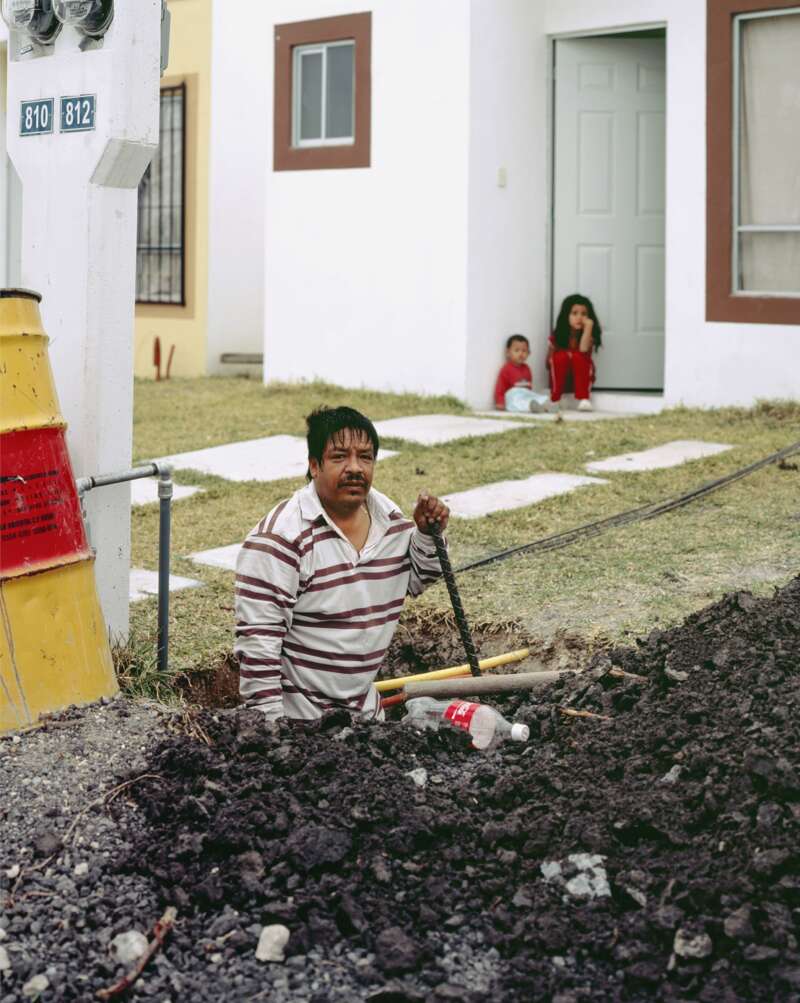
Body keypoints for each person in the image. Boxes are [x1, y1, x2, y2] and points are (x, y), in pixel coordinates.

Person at [234, 405, 450, 722]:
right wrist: (272, 735)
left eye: (365, 457)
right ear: (314, 466)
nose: (354, 468)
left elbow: (421, 576)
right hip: (302, 727)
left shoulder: (390, 524)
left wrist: (428, 533)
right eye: (339, 457)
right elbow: (258, 645)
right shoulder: (281, 540)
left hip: (367, 725)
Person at [547, 294, 602, 412]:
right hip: (562, 380)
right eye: (574, 313)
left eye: (584, 314)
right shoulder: (559, 335)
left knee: (578, 356)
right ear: (566, 315)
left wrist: (588, 328)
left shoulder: (588, 335)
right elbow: (548, 364)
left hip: (581, 381)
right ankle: (555, 399)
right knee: (561, 356)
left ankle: (584, 399)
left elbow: (583, 350)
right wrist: (563, 357)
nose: (579, 317)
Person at [494, 334, 554, 413]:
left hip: (525, 394)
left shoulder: (527, 368)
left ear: (528, 353)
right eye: (517, 350)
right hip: (513, 396)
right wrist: (500, 402)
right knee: (518, 402)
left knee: (537, 397)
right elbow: (500, 388)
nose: (521, 354)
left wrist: (529, 394)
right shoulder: (506, 369)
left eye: (524, 351)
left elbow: (528, 388)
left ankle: (547, 405)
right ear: (508, 353)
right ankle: (532, 407)